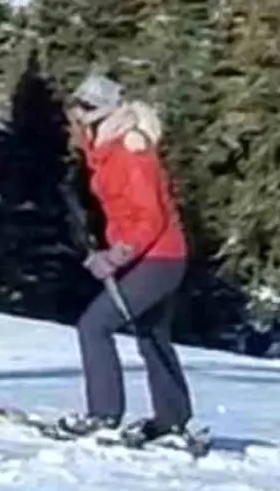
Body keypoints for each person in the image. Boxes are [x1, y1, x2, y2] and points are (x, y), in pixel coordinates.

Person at [64, 73, 193, 442]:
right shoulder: (107, 152)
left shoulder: (129, 152)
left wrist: (116, 257)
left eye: (76, 117)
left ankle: (104, 414)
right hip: (155, 257)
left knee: (94, 326)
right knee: (151, 334)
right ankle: (172, 421)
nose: (72, 127)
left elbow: (149, 217)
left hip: (158, 258)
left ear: (95, 116)